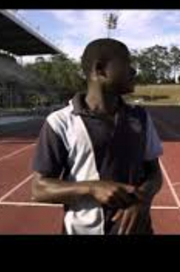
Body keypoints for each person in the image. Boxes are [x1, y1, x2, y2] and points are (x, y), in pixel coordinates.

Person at [31, 38, 163, 235]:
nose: (134, 70)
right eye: (127, 63)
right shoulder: (60, 122)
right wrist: (91, 188)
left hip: (138, 229)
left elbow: (154, 174)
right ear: (100, 69)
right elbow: (39, 189)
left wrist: (142, 201)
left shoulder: (140, 117)